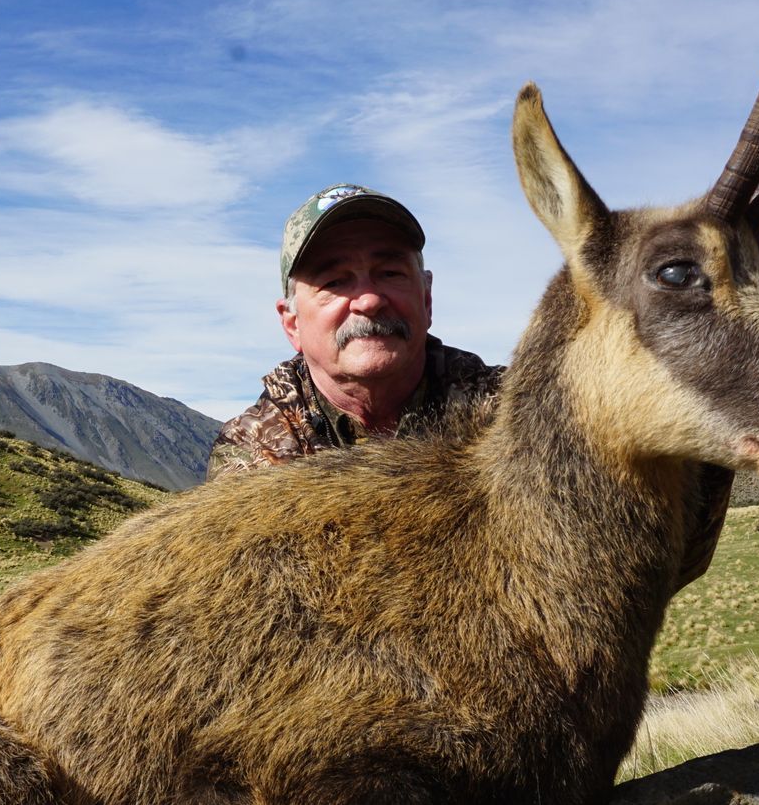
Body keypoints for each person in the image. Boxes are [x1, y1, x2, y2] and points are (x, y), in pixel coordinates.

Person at [208, 183, 731, 586]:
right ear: (291, 322)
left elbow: (659, 560)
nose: (367, 300)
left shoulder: (512, 411)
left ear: (427, 296)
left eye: (390, 273)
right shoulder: (255, 457)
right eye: (334, 282)